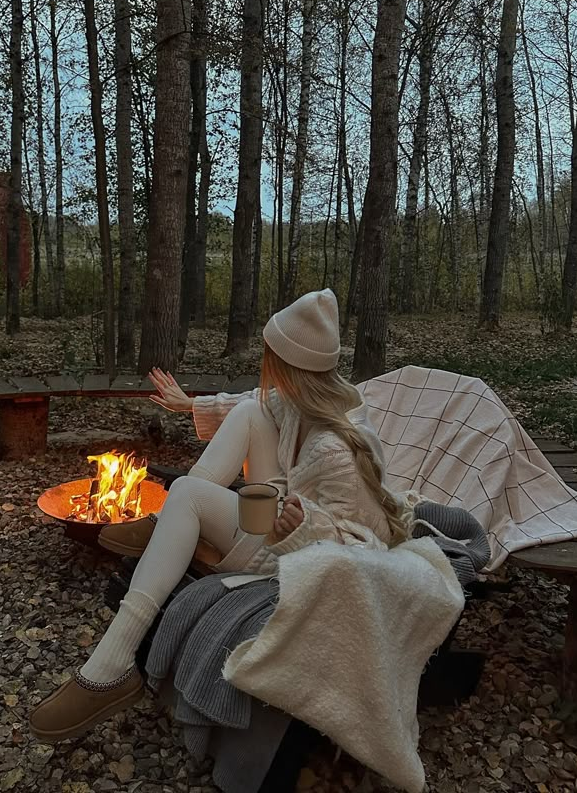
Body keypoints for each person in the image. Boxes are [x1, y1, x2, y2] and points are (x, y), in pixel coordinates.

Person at [30, 289, 405, 743]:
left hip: (295, 553)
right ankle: (161, 524)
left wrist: (305, 528)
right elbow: (255, 401)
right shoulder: (300, 399)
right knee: (250, 409)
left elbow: (370, 541)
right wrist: (191, 405)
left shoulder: (337, 449)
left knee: (187, 492)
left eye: (270, 357)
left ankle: (110, 668)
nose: (264, 366)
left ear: (286, 364)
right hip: (281, 515)